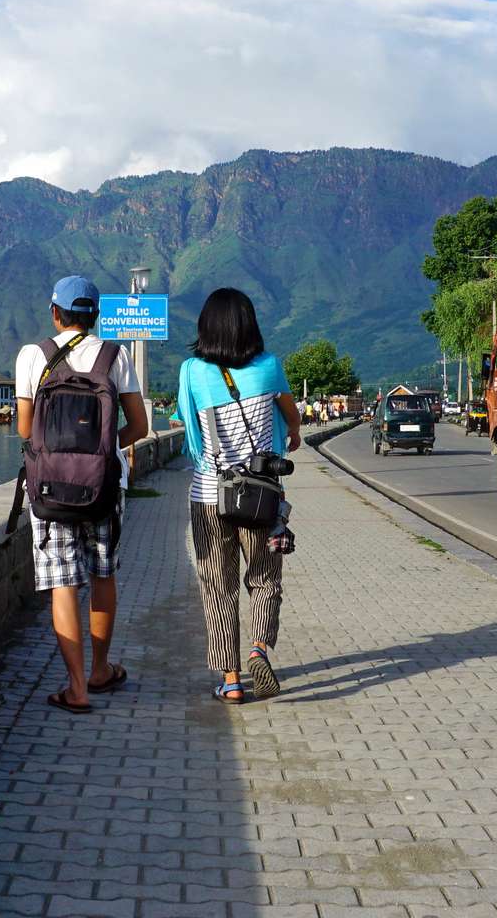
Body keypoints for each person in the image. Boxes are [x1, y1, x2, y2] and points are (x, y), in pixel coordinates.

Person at [15, 274, 148, 716]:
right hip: (104, 486)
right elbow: (140, 427)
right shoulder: (115, 355)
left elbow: (25, 429)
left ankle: (75, 688)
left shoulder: (33, 355)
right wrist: (102, 452)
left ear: (55, 313)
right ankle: (101, 669)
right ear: (96, 315)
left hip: (49, 488)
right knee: (102, 576)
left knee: (63, 584)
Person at [176, 287, 301, 704]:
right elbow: (291, 417)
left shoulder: (192, 372)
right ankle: (258, 649)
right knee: (264, 577)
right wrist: (293, 433)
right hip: (261, 496)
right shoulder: (269, 367)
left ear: (206, 327)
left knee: (218, 585)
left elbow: (186, 423)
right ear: (250, 325)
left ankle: (231, 681)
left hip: (210, 495)